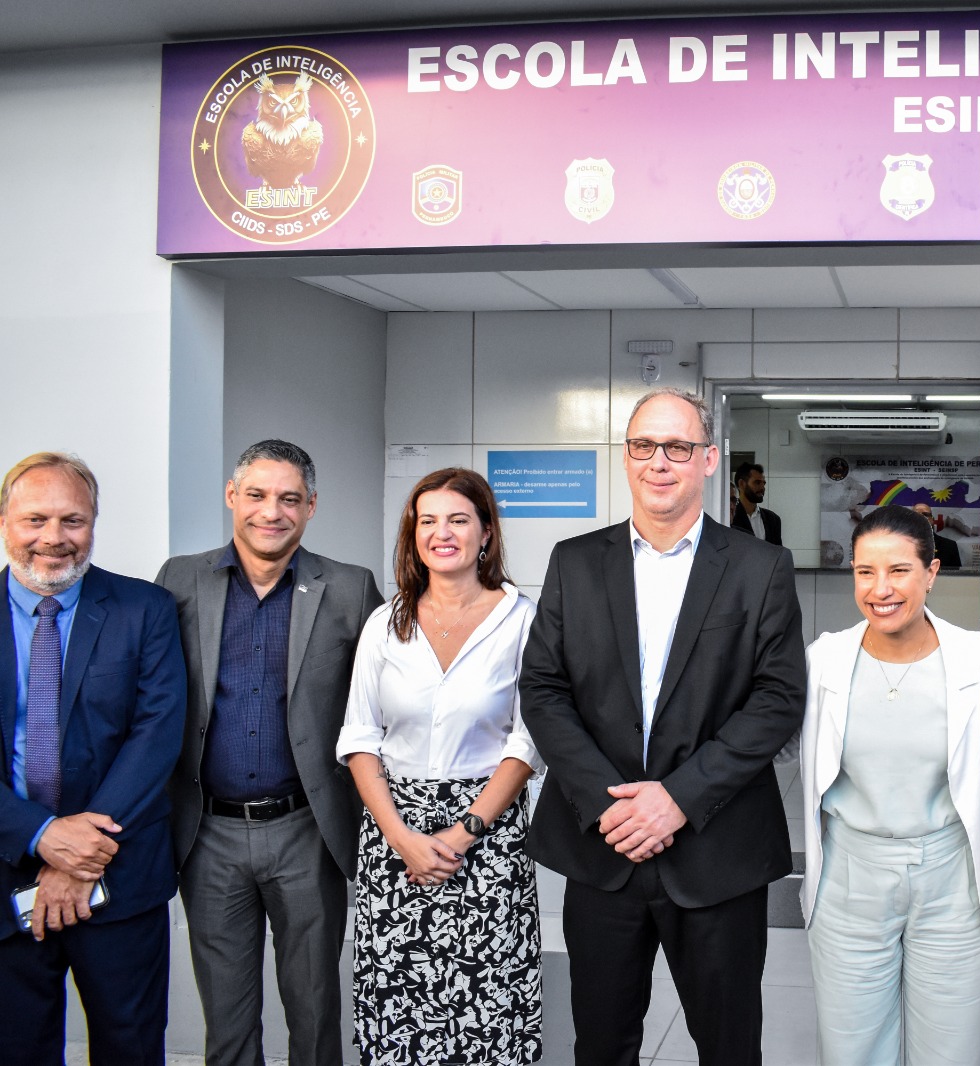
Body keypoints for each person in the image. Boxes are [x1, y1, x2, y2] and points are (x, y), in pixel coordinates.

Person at [521, 386, 806, 1066]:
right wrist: (610, 805)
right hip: (604, 847)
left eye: (677, 447)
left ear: (708, 459)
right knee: (602, 1045)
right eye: (644, 445)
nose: (659, 461)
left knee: (728, 1048)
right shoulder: (575, 562)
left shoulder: (760, 567)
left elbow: (777, 698)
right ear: (626, 457)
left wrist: (677, 798)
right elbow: (543, 689)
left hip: (718, 849)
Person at [158, 439, 383, 1066]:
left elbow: (378, 708)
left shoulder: (349, 587)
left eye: (289, 498)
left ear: (311, 506)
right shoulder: (179, 579)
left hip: (307, 830)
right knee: (227, 1021)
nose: (271, 511)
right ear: (232, 496)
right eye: (256, 495)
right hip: (209, 833)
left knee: (315, 1010)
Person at [795, 504, 980, 1064]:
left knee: (951, 1050)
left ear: (931, 572)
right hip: (850, 876)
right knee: (852, 1049)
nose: (880, 589)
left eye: (899, 570)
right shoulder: (824, 660)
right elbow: (776, 741)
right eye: (865, 572)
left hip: (953, 880)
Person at [339, 467, 541, 1064]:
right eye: (427, 521)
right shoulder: (386, 622)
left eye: (458, 519)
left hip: (488, 836)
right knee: (398, 1010)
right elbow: (360, 735)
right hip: (393, 836)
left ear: (486, 532)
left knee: (488, 1009)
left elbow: (527, 739)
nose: (441, 533)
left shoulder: (521, 619)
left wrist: (464, 831)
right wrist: (401, 837)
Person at [0, 452, 186, 1063]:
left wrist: (79, 853)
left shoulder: (145, 609)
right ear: (4, 521)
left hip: (121, 874)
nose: (53, 537)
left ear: (94, 523)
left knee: (130, 1048)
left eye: (72, 520)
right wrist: (42, 837)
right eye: (35, 519)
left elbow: (156, 735)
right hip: (5, 873)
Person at [730, 461, 783, 546]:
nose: (762, 487)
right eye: (757, 482)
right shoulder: (731, 516)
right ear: (742, 484)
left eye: (763, 483)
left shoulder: (773, 519)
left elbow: (778, 551)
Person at [912, 502, 962, 570]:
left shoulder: (949, 546)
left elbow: (956, 575)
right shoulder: (900, 546)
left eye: (926, 515)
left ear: (932, 520)